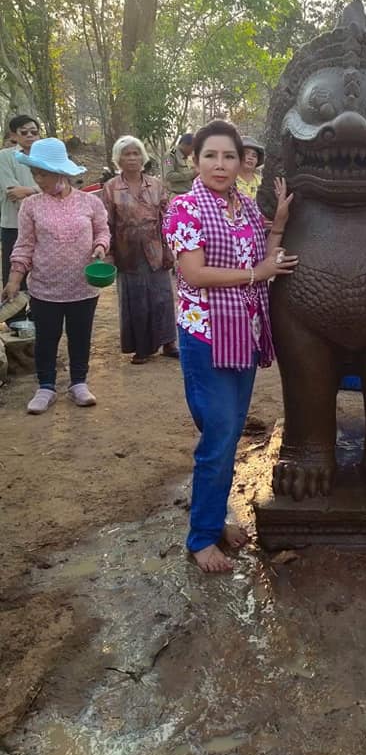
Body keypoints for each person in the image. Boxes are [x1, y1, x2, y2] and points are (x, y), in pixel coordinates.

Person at [163, 119, 298, 573]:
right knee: (218, 437)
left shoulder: (242, 205)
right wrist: (255, 276)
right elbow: (194, 273)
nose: (220, 165)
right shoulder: (185, 208)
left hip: (244, 333)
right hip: (206, 336)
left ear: (242, 163)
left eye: (228, 156)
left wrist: (277, 225)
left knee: (228, 434)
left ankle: (215, 519)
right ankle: (202, 537)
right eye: (210, 156)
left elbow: (265, 254)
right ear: (195, 160)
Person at [1, 138, 110, 414]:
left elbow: (102, 231)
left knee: (80, 335)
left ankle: (78, 383)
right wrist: (14, 279)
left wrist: (100, 246)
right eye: (36, 173)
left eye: (43, 174)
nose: (38, 179)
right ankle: (46, 386)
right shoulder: (31, 206)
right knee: (46, 337)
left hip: (83, 286)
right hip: (44, 287)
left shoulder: (89, 202)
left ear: (61, 172)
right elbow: (24, 245)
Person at [102, 135, 178, 365]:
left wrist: (170, 249)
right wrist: (109, 253)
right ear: (119, 159)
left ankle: (169, 343)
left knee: (162, 297)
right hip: (127, 251)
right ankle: (142, 348)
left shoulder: (155, 184)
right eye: (127, 154)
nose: (132, 158)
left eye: (136, 153)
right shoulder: (112, 187)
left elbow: (168, 218)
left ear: (143, 158)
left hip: (156, 247)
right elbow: (106, 222)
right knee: (135, 299)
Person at [0, 116, 40, 299]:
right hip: (14, 225)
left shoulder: (45, 157)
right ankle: (16, 318)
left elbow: (58, 188)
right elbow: (12, 191)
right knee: (15, 270)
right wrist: (38, 194)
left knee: (41, 271)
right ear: (14, 135)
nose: (30, 135)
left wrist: (29, 189)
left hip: (44, 226)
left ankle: (37, 315)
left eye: (34, 131)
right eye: (24, 132)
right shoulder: (5, 157)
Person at [165, 133, 195, 198]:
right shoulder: (170, 155)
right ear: (185, 144)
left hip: (189, 194)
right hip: (178, 195)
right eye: (192, 148)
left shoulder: (187, 157)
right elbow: (169, 176)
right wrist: (192, 174)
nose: (192, 151)